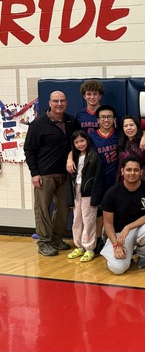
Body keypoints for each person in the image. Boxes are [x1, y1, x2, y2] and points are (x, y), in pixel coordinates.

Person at [24, 91, 81, 256]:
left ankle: (56, 239)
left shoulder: (71, 121)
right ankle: (43, 242)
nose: (59, 104)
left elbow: (75, 143)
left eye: (62, 100)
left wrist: (71, 158)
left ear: (67, 102)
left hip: (66, 174)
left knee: (63, 209)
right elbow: (29, 149)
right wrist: (34, 173)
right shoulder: (38, 124)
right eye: (55, 101)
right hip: (44, 175)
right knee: (42, 209)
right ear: (49, 103)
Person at [100, 156, 145, 274]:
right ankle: (123, 252)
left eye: (136, 170)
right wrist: (116, 245)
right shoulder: (111, 192)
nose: (132, 173)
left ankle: (142, 256)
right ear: (122, 171)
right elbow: (107, 223)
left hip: (139, 230)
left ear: (141, 172)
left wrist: (128, 227)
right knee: (117, 269)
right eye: (128, 170)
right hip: (118, 235)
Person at [67, 130, 103, 262]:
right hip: (76, 190)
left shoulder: (94, 157)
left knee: (88, 220)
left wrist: (96, 198)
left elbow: (98, 179)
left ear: (87, 141)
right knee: (77, 219)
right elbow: (70, 178)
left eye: (82, 141)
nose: (80, 144)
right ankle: (79, 246)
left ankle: (89, 248)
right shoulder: (73, 158)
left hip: (88, 193)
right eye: (76, 142)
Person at [88, 104, 121, 254]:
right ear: (98, 120)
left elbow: (142, 132)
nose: (106, 120)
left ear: (114, 119)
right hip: (99, 180)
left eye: (109, 117)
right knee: (99, 212)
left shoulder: (120, 135)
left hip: (117, 179)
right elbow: (76, 149)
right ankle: (98, 240)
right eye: (103, 117)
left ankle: (114, 240)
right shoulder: (91, 137)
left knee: (117, 211)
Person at [117, 115, 145, 184]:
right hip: (125, 181)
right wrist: (117, 181)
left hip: (143, 180)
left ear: (137, 126)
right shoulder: (122, 142)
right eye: (126, 126)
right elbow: (120, 165)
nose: (129, 128)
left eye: (131, 125)